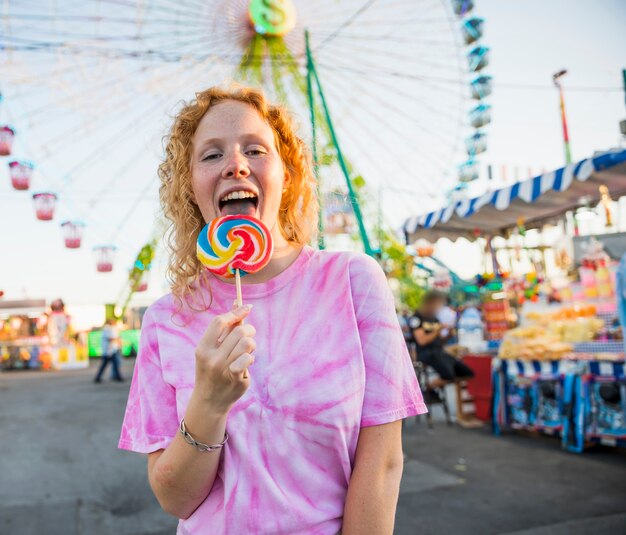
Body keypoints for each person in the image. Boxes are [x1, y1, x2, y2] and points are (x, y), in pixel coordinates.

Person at [118, 86, 426, 535]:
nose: (235, 164)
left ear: (288, 174)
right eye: (211, 155)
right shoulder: (166, 319)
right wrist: (209, 401)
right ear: (190, 187)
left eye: (255, 149)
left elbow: (382, 463)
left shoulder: (354, 280)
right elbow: (175, 499)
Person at [409, 290, 474, 390]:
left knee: (466, 372)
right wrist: (438, 330)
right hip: (426, 353)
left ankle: (430, 388)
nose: (439, 307)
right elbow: (422, 341)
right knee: (448, 375)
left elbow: (439, 340)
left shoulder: (434, 319)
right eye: (438, 304)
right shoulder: (417, 318)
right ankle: (427, 390)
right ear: (430, 302)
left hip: (439, 351)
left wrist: (448, 335)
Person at [94, 318, 124, 383]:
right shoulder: (107, 329)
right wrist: (117, 339)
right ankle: (117, 377)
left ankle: (117, 376)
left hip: (111, 350)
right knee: (109, 365)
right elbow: (111, 339)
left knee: (113, 365)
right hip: (109, 351)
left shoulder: (108, 329)